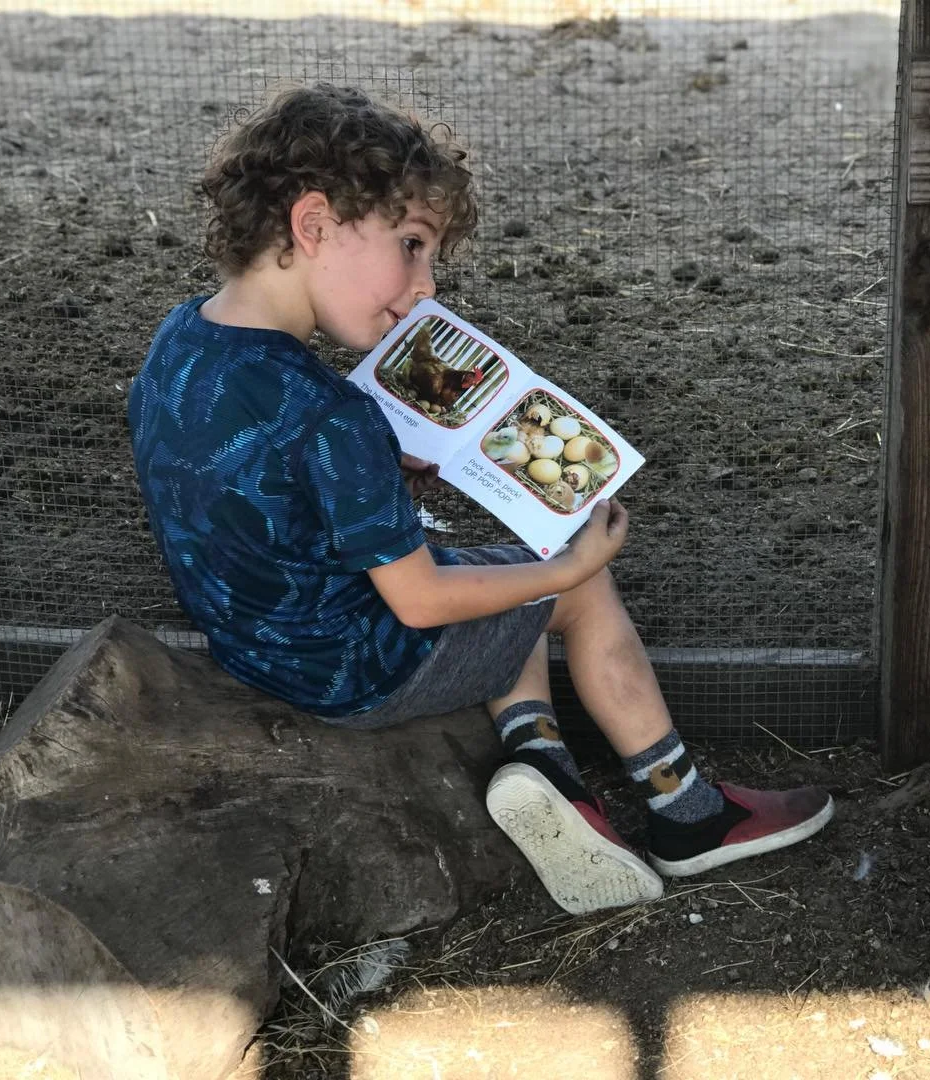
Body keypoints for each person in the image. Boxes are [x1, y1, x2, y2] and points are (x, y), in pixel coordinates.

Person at [128, 83, 833, 916]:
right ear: (313, 225)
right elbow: (422, 601)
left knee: (504, 575)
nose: (426, 286)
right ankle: (688, 814)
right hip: (352, 670)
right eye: (413, 245)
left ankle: (547, 772)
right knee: (562, 585)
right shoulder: (330, 411)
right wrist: (567, 567)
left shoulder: (182, 338)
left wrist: (379, 473)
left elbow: (247, 474)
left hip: (252, 642)